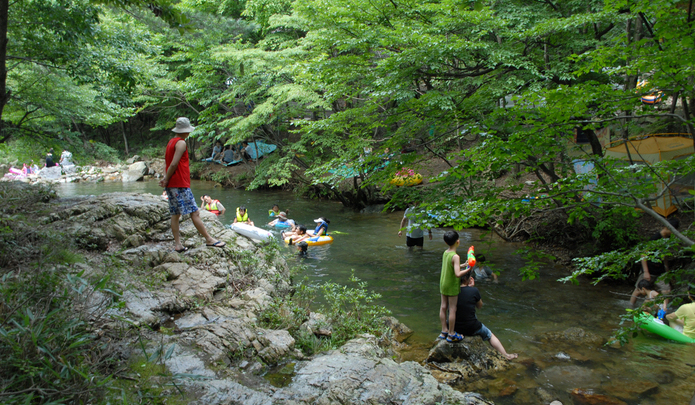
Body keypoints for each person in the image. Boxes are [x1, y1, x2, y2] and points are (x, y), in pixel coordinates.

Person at [159, 117, 225, 252]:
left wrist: (166, 178)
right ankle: (209, 239)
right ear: (185, 131)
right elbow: (174, 163)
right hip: (180, 184)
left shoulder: (170, 143)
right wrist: (166, 179)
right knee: (194, 212)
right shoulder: (181, 143)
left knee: (175, 214)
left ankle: (178, 244)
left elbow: (167, 163)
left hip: (172, 184)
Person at [455, 273, 518, 360]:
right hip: (471, 327)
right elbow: (480, 306)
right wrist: (472, 288)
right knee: (489, 334)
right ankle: (506, 355)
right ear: (467, 279)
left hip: (455, 327)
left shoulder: (452, 291)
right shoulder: (474, 291)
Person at [630, 218, 680, 308]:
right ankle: (630, 307)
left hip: (660, 271)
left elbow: (664, 256)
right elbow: (643, 254)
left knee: (666, 291)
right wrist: (646, 272)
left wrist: (667, 271)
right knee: (638, 290)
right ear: (667, 227)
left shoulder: (667, 239)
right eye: (673, 230)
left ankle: (664, 310)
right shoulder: (655, 238)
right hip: (649, 269)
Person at [438, 230, 471, 343]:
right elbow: (457, 274)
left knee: (443, 307)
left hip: (443, 283)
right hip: (451, 285)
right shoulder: (455, 256)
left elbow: (451, 267)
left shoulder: (445, 253)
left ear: (446, 243)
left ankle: (444, 331)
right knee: (452, 309)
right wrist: (468, 269)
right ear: (458, 242)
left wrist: (463, 265)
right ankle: (451, 333)